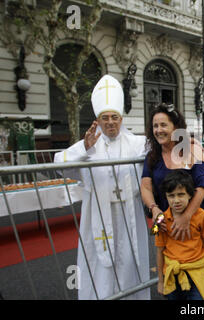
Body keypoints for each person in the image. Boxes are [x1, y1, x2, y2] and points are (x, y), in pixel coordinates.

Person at [54, 74, 150, 300]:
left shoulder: (136, 143)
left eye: (114, 117)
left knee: (130, 262)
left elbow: (162, 146)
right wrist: (83, 151)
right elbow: (60, 164)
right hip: (97, 214)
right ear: (98, 119)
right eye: (105, 117)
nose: (110, 122)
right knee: (100, 266)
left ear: (121, 118)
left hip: (130, 213)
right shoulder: (89, 143)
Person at [140, 103, 204, 299]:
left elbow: (203, 186)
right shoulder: (152, 156)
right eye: (155, 126)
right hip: (167, 219)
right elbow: (145, 187)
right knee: (170, 258)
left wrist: (186, 216)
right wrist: (154, 210)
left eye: (163, 125)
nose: (158, 130)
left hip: (200, 216)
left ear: (175, 126)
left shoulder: (191, 147)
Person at [156, 170, 204, 300]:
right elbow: (159, 250)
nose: (176, 200)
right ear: (166, 196)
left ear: (190, 195)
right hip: (171, 274)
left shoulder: (201, 216)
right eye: (171, 196)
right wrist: (161, 281)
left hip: (197, 273)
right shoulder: (161, 220)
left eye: (181, 194)